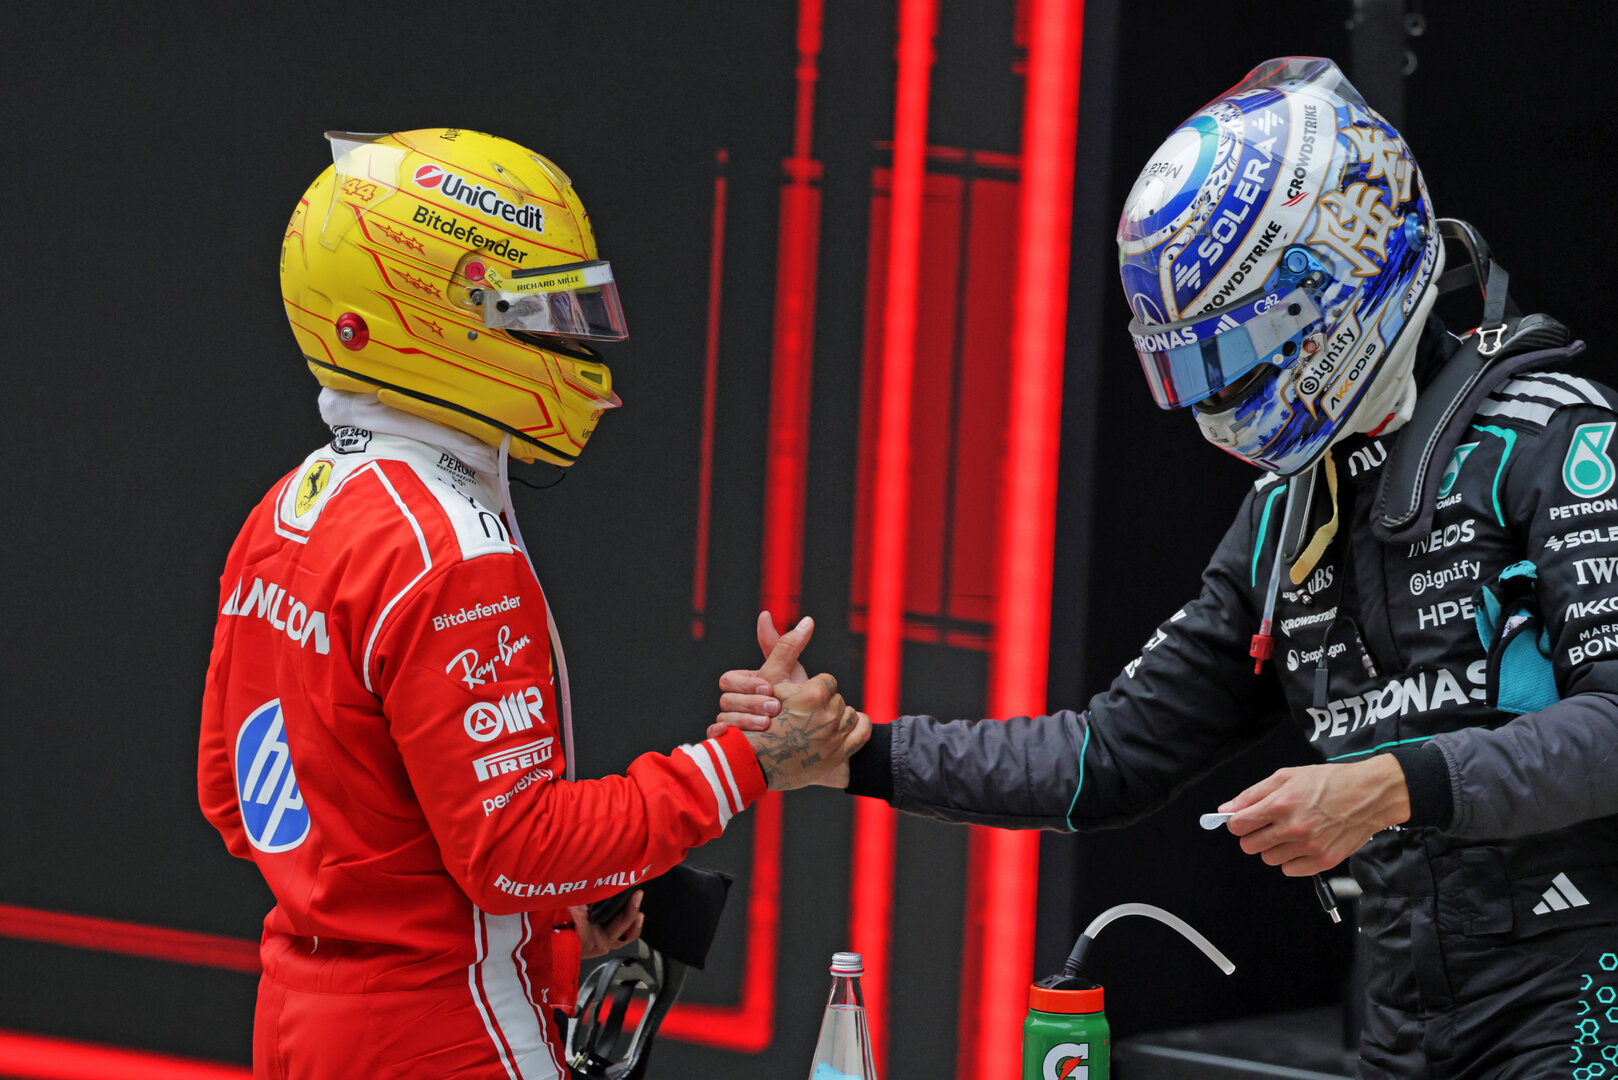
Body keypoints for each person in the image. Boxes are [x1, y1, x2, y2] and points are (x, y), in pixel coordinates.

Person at [715, 59, 1618, 1077]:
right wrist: (858, 751)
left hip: (1584, 1000)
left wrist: (1388, 785)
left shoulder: (1556, 441)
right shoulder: (1286, 516)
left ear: (1336, 280)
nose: (1214, 398)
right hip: (1404, 1019)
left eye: (1232, 354)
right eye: (1188, 367)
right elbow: (1112, 755)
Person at [197, 129, 867, 1080]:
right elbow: (512, 849)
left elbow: (234, 800)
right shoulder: (454, 548)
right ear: (430, 318)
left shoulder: (287, 508)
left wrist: (528, 922)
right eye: (543, 312)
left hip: (300, 1023)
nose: (573, 341)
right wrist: (744, 762)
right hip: (449, 1031)